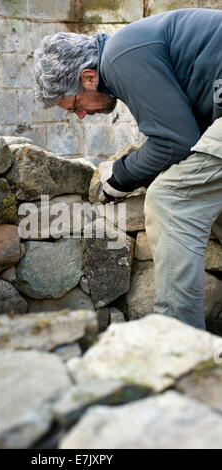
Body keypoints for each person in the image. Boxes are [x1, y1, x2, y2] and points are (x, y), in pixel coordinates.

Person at [34, 8, 222, 330]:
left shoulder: (121, 57)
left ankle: (177, 343)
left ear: (89, 77)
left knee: (171, 199)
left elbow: (174, 142)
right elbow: (184, 138)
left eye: (77, 105)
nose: (80, 115)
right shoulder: (132, 47)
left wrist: (118, 177)